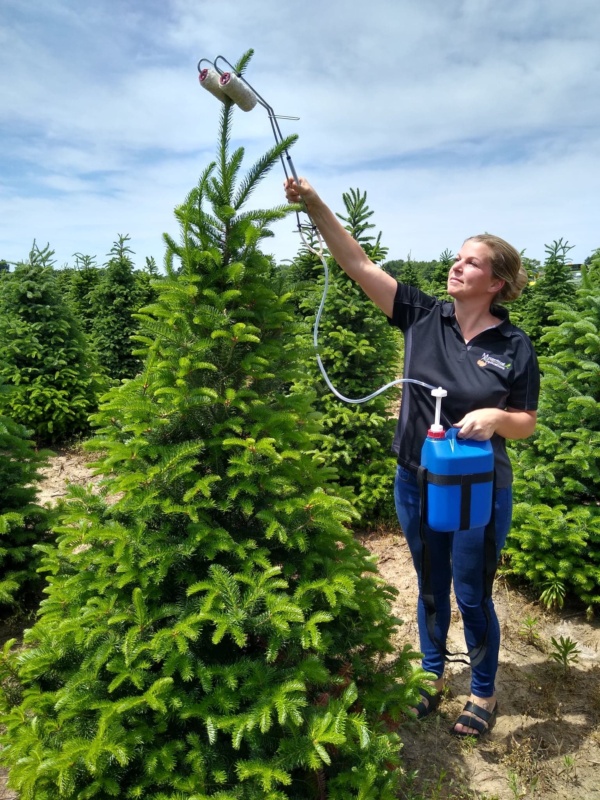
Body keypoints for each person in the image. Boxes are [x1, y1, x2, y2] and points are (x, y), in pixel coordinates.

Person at [284, 176, 540, 739]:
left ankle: (482, 690)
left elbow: (526, 422)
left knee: (472, 589)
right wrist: (316, 204)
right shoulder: (423, 316)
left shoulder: (513, 345)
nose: (456, 267)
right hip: (417, 479)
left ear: (496, 282)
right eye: (456, 258)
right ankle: (429, 674)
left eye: (471, 263)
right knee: (429, 581)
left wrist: (496, 420)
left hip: (477, 488)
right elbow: (357, 263)